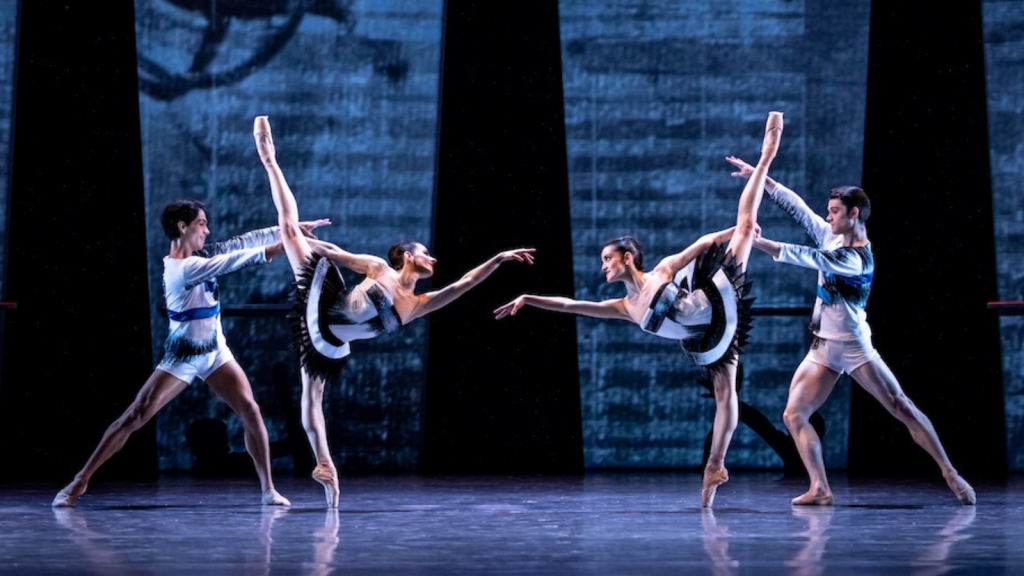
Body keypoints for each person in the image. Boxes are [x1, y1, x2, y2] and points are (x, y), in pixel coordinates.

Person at [494, 112, 785, 507]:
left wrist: (729, 233)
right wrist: (530, 298)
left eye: (607, 259)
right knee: (724, 393)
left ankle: (767, 154)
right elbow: (572, 305)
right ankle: (715, 465)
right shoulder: (624, 307)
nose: (603, 266)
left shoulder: (661, 271)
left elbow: (700, 246)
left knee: (746, 224)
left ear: (627, 258)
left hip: (716, 300)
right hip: (707, 337)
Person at [253, 116, 536, 508]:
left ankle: (325, 465)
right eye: (426, 253)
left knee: (312, 398)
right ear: (407, 255)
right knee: (287, 228)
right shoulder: (379, 268)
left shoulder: (418, 305)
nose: (433, 258)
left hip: (328, 339)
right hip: (324, 302)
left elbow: (466, 283)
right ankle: (270, 159)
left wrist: (499, 258)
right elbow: (336, 254)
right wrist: (301, 240)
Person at [724, 155, 977, 506]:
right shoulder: (831, 235)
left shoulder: (858, 259)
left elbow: (808, 257)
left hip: (854, 346)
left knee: (901, 406)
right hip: (823, 347)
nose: (828, 217)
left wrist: (758, 242)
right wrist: (760, 177)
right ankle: (820, 488)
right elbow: (798, 208)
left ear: (853, 213)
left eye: (835, 211)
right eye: (829, 211)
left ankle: (950, 472)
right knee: (794, 414)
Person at [51, 200, 319, 507]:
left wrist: (289, 229)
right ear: (183, 227)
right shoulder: (182, 269)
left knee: (250, 410)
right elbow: (235, 260)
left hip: (215, 351)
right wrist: (282, 246)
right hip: (183, 355)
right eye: (201, 224)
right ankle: (79, 481)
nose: (207, 230)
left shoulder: (200, 255)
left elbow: (241, 243)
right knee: (135, 415)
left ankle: (268, 489)